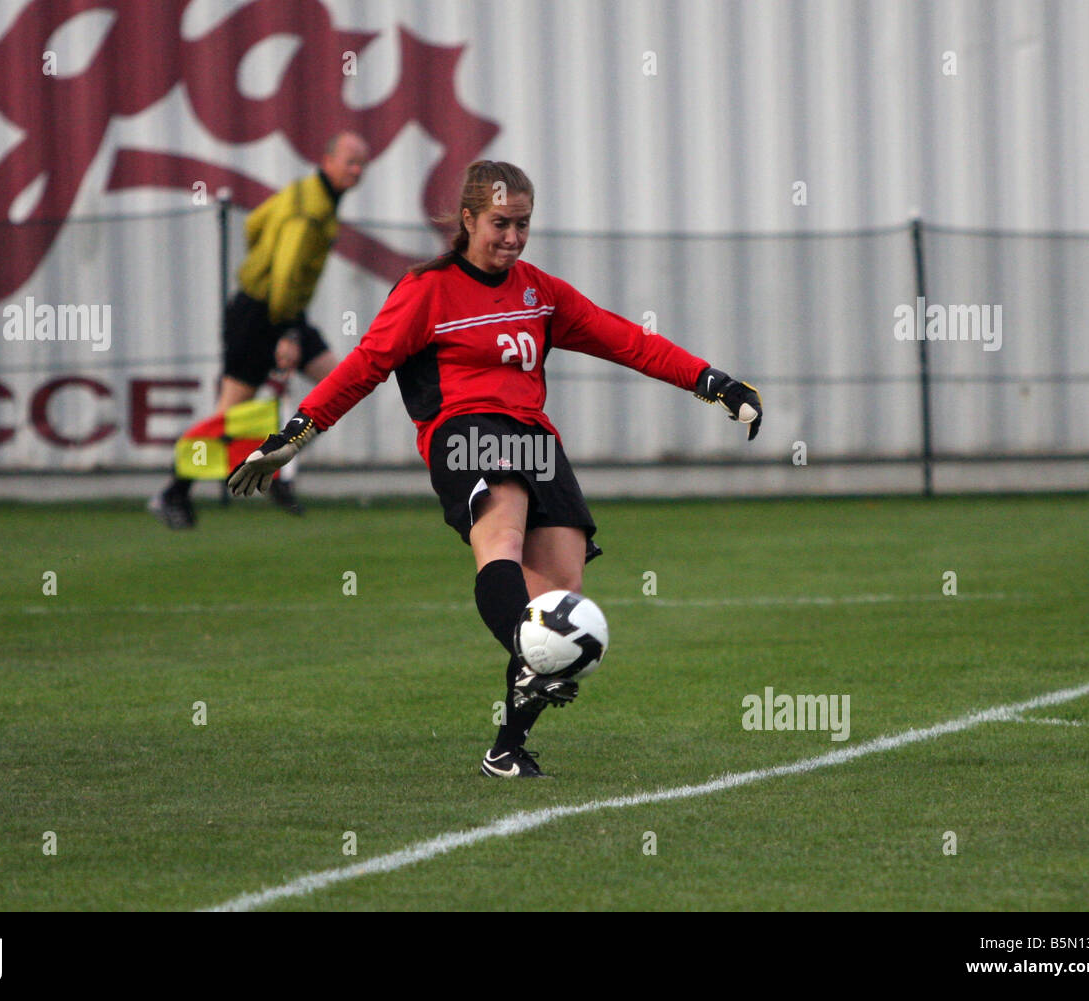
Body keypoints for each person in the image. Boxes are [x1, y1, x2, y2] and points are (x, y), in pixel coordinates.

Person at [228, 160, 762, 777]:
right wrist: (300, 430)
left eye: (524, 225)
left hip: (535, 438)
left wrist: (713, 382)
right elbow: (365, 365)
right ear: (468, 219)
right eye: (500, 223)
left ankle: (506, 747)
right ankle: (533, 656)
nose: (512, 237)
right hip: (462, 432)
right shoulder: (427, 288)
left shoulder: (539, 291)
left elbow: (626, 340)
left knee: (562, 595)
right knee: (503, 532)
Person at [149, 131, 370, 528]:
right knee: (230, 413)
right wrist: (287, 331)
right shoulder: (311, 210)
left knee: (336, 382)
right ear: (328, 160)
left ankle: (275, 463)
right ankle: (174, 492)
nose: (357, 171)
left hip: (282, 309)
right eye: (350, 162)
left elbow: (255, 224)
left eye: (362, 164)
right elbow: (285, 274)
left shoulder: (303, 191)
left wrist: (270, 278)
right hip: (263, 312)